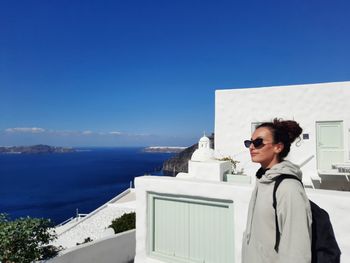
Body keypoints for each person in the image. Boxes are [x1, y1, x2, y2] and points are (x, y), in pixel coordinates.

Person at [241, 119, 312, 263]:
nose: (251, 147)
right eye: (250, 142)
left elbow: (297, 251)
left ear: (278, 147)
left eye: (258, 142)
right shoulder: (263, 180)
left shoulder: (288, 188)